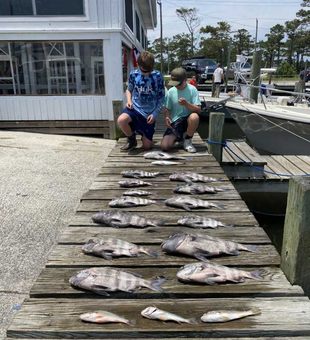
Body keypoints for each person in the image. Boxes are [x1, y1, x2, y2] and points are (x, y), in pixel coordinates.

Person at [117, 51, 165, 151]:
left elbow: (161, 97)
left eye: (148, 71)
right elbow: (128, 90)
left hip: (149, 113)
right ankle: (131, 139)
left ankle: (144, 133)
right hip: (135, 108)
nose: (145, 73)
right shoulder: (133, 74)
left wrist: (155, 114)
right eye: (143, 71)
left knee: (147, 147)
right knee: (121, 120)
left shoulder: (158, 76)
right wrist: (129, 101)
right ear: (139, 66)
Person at [161, 67, 201, 153]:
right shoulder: (171, 91)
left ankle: (188, 140)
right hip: (176, 122)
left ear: (185, 80)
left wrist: (186, 104)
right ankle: (179, 136)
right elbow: (167, 109)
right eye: (174, 83)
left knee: (194, 117)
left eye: (178, 83)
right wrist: (167, 118)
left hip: (187, 120)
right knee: (165, 146)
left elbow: (198, 110)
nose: (176, 86)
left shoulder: (192, 90)